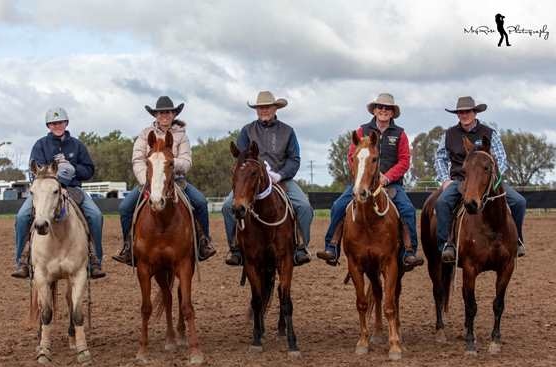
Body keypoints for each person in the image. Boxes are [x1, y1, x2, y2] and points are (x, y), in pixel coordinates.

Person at [316, 93, 424, 270]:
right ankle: (332, 246)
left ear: (392, 112)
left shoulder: (400, 134)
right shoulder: (362, 131)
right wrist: (361, 176)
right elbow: (352, 156)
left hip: (391, 184)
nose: (383, 110)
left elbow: (404, 161)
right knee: (338, 206)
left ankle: (408, 252)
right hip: (363, 182)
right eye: (380, 107)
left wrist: (387, 177)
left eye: (387, 108)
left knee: (408, 210)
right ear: (374, 110)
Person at [112, 96, 216, 265]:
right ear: (155, 115)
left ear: (174, 114)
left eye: (168, 112)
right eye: (160, 113)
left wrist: (171, 163)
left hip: (176, 181)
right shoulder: (145, 134)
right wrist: (147, 180)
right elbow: (137, 159)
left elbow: (187, 161)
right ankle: (128, 247)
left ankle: (204, 242)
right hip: (149, 181)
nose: (164, 115)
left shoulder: (181, 135)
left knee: (201, 203)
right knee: (125, 208)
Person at [12, 107, 106, 279]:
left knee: (96, 215)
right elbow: (35, 170)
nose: (57, 126)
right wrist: (54, 177)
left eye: (60, 122)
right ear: (48, 125)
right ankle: (22, 261)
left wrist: (71, 167)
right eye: (53, 123)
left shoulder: (77, 145)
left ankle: (95, 260)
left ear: (66, 123)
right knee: (22, 217)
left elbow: (89, 170)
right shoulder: (40, 145)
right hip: (45, 191)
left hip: (73, 189)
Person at [222, 90, 314, 266]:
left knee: (304, 207)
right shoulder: (247, 131)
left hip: (281, 179)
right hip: (251, 180)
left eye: (267, 107)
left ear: (275, 109)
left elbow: (294, 159)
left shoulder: (288, 131)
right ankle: (235, 248)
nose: (264, 110)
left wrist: (280, 175)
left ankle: (301, 248)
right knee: (227, 207)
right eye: (260, 108)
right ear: (256, 110)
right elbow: (241, 158)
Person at [434, 96, 526, 263]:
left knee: (519, 202)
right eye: (461, 112)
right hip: (460, 180)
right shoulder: (449, 135)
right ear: (457, 114)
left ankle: (517, 239)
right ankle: (447, 244)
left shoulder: (489, 133)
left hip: (488, 180)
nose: (464, 115)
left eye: (467, 111)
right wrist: (445, 179)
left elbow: (501, 158)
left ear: (475, 112)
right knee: (442, 203)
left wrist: (493, 178)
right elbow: (440, 158)